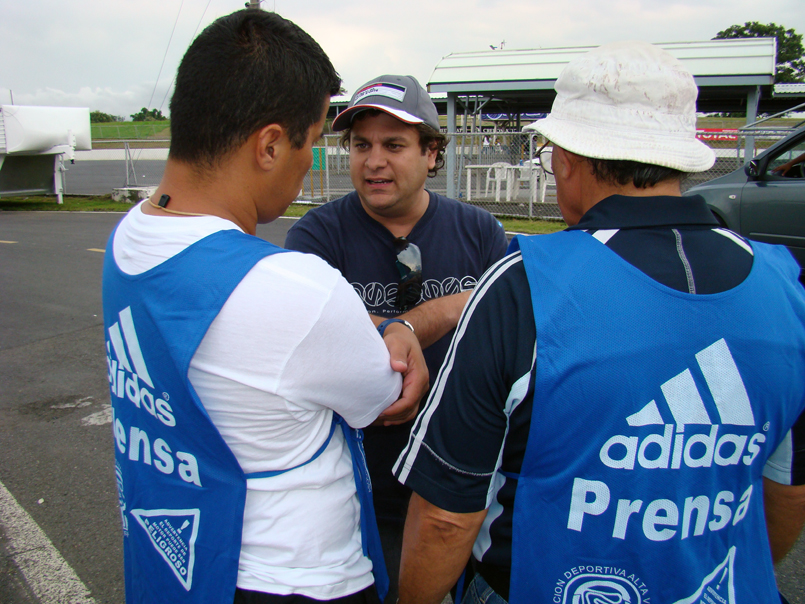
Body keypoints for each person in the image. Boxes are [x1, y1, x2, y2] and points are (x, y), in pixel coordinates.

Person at [394, 40, 805, 604]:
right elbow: (787, 489)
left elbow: (447, 515)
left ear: (567, 159)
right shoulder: (786, 285)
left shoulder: (525, 284)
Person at [102, 10, 428, 604]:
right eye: (312, 142)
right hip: (295, 577)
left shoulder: (130, 235)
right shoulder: (293, 286)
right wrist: (405, 329)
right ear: (271, 145)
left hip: (178, 561)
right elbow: (383, 394)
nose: (310, 163)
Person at [285, 74, 508, 601]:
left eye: (393, 145)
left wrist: (416, 321)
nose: (374, 162)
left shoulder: (479, 231)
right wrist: (436, 313)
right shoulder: (316, 235)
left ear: (431, 153)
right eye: (361, 145)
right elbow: (314, 327)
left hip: (460, 484)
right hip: (360, 485)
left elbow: (508, 327)